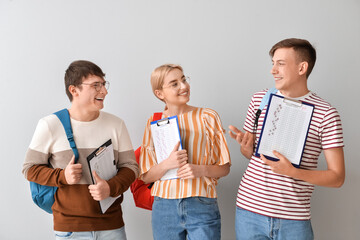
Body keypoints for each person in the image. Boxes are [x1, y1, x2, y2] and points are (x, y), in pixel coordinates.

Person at [229, 38, 345, 240]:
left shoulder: (326, 114)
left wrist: (293, 172)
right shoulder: (259, 99)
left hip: (293, 219)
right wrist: (246, 147)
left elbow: (337, 177)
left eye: (281, 64)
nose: (273, 70)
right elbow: (251, 155)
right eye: (273, 63)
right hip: (249, 211)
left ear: (302, 68)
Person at [22, 60, 139, 240]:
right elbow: (29, 169)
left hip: (112, 226)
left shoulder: (116, 124)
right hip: (70, 229)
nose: (104, 91)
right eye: (96, 85)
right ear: (74, 90)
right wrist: (63, 176)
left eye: (103, 84)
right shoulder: (50, 125)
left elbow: (131, 167)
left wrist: (110, 187)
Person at [139, 64, 231, 240]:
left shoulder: (208, 117)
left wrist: (200, 170)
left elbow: (225, 168)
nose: (183, 86)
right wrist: (167, 164)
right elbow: (145, 177)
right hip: (164, 206)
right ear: (160, 94)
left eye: (183, 80)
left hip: (201, 203)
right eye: (174, 84)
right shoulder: (153, 121)